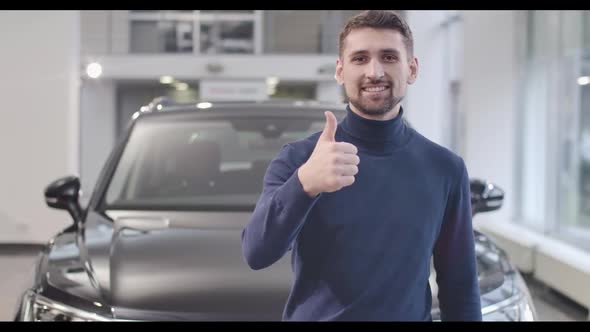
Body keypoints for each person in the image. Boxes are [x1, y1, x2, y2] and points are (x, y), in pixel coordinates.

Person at [241, 10, 482, 321]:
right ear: (340, 71)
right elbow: (257, 253)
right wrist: (304, 184)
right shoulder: (300, 159)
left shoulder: (445, 169)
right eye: (360, 59)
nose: (374, 71)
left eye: (389, 57)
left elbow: (459, 286)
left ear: (412, 68)